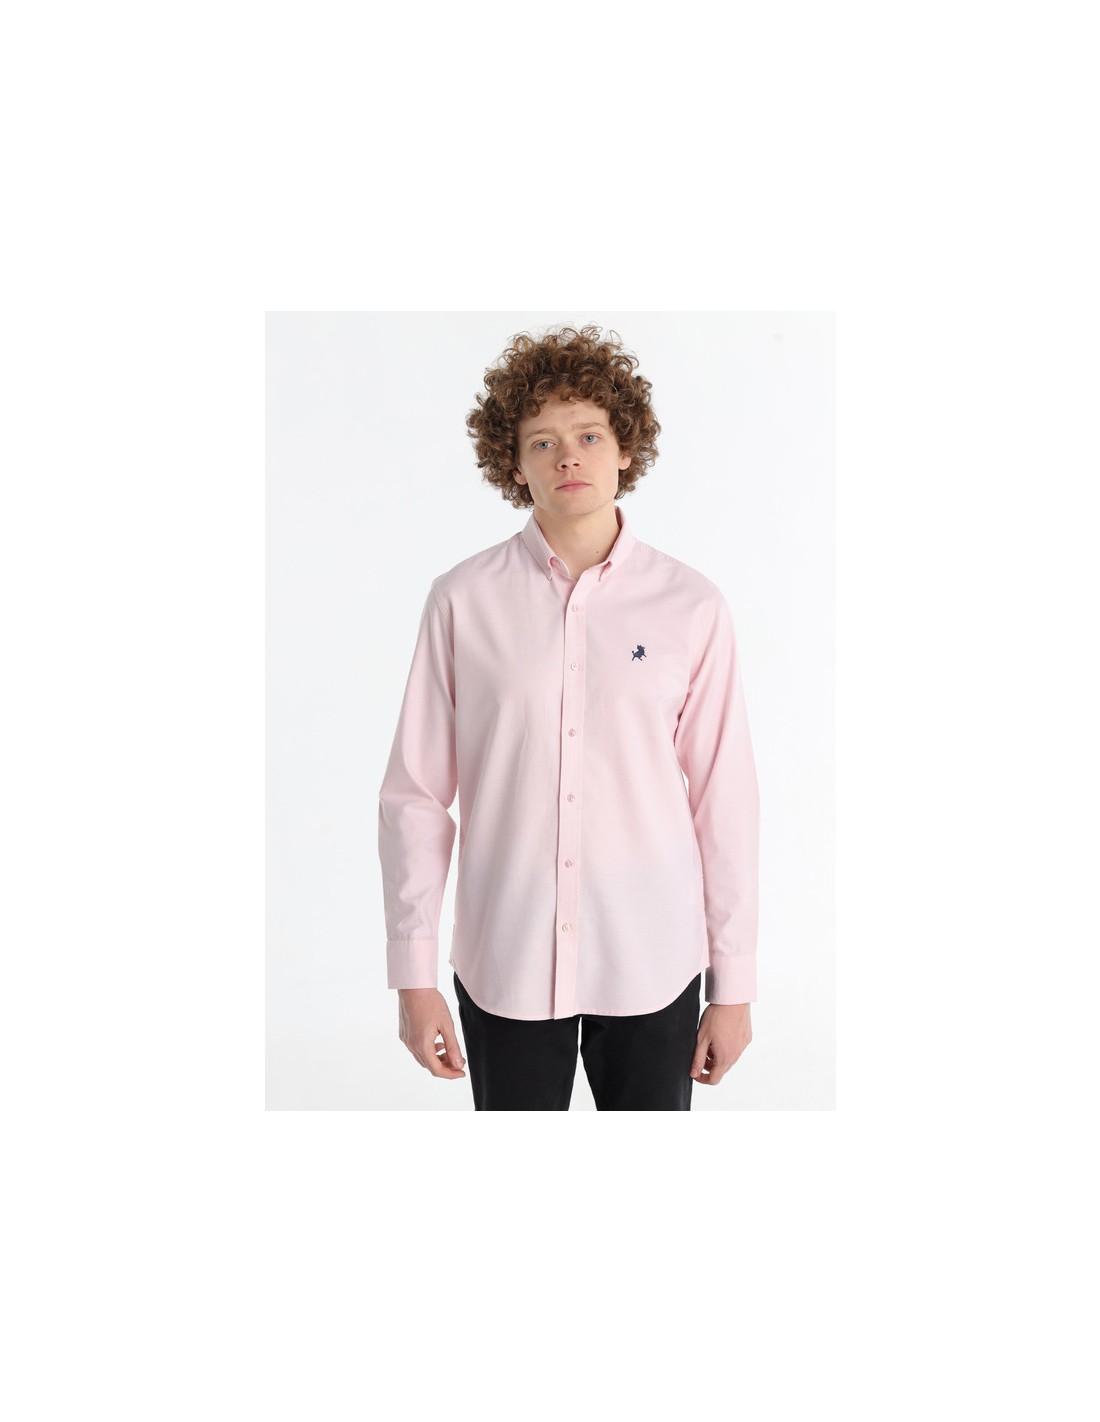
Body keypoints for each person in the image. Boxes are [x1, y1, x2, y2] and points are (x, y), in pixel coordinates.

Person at [377, 323, 760, 1110]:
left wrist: (735, 986)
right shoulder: (462, 601)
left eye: (589, 435)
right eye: (542, 442)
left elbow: (725, 802)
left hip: (653, 960)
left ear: (625, 449)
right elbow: (415, 794)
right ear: (513, 464)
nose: (568, 458)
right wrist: (413, 975)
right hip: (506, 958)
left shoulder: (692, 606)